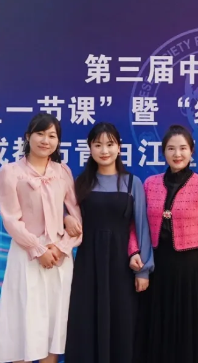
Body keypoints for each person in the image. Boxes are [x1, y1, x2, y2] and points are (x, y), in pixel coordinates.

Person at [0, 113, 82, 363]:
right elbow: (11, 219)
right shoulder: (10, 171)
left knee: (54, 322)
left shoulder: (63, 172)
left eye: (52, 136)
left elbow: (77, 217)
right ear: (28, 137)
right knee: (23, 321)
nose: (45, 140)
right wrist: (38, 249)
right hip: (26, 256)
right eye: (40, 134)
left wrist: (61, 247)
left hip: (59, 259)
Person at [64, 122, 154, 363]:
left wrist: (143, 271)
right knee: (85, 319)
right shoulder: (80, 183)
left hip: (121, 264)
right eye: (98, 145)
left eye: (110, 144)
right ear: (90, 148)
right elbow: (61, 213)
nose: (104, 150)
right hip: (87, 263)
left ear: (119, 147)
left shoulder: (132, 182)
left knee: (122, 320)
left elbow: (142, 227)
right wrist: (64, 218)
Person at [134, 124, 198, 363]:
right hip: (156, 265)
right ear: (163, 152)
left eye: (183, 148)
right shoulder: (150, 183)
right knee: (157, 324)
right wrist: (136, 255)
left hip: (190, 267)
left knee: (188, 327)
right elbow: (137, 224)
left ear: (192, 150)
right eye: (171, 149)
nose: (177, 154)